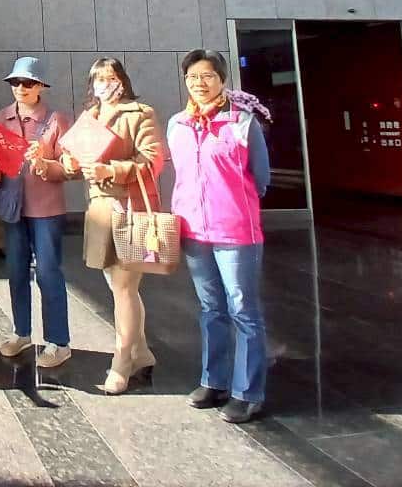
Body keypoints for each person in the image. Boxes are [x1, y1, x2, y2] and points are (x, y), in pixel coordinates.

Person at [169, 49, 272, 424]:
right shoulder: (177, 124)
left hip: (235, 231)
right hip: (194, 231)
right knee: (210, 308)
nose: (199, 83)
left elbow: (261, 178)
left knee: (243, 309)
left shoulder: (242, 122)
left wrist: (230, 203)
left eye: (207, 76)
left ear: (222, 80)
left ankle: (248, 392)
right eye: (193, 76)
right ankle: (213, 381)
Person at [69, 57, 164, 395]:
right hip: (100, 208)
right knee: (117, 287)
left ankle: (122, 359)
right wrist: (70, 160)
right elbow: (72, 157)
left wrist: (111, 170)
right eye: (99, 78)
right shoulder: (90, 116)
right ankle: (142, 353)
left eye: (111, 78)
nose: (105, 84)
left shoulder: (140, 113)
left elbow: (152, 160)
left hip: (130, 207)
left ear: (122, 81)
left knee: (125, 287)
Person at [0, 57, 73, 369]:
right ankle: (21, 332)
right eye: (15, 83)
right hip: (13, 206)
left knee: (48, 272)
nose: (20, 88)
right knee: (16, 271)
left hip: (46, 209)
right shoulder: (1, 118)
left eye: (27, 83)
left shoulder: (56, 121)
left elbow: (70, 168)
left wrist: (46, 165)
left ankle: (58, 341)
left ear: (40, 86)